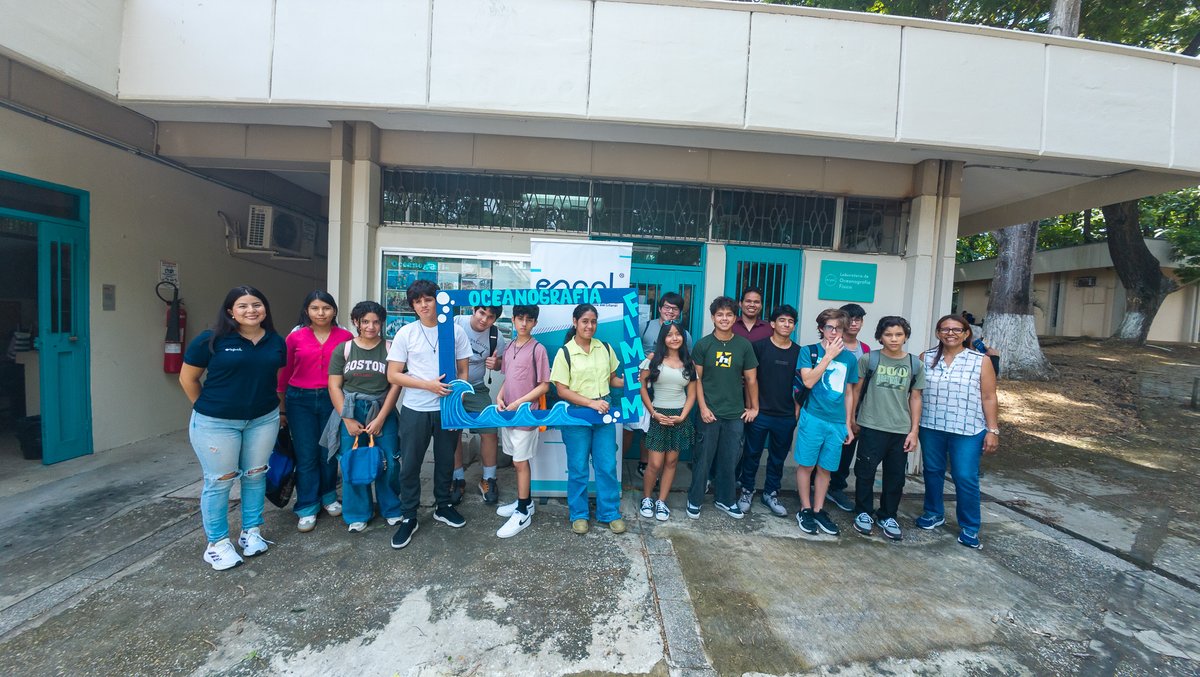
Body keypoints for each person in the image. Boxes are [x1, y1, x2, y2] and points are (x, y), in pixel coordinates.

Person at [179, 285, 286, 570]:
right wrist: (208, 408)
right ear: (230, 311)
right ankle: (217, 544)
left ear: (265, 309)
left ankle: (251, 532)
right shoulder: (211, 340)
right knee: (220, 480)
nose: (251, 310)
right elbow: (188, 379)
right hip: (216, 423)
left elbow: (269, 378)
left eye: (257, 304)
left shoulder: (276, 341)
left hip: (262, 418)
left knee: (255, 474)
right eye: (243, 305)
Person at [386, 280, 471, 549]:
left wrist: (458, 401)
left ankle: (442, 506)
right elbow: (393, 374)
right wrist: (428, 385)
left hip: (447, 409)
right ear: (413, 306)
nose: (423, 305)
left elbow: (463, 370)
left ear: (438, 300)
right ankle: (409, 516)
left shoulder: (455, 331)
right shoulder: (406, 333)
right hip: (416, 408)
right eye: (417, 301)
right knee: (410, 464)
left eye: (428, 299)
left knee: (446, 460)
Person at [917, 314, 1000, 550]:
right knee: (932, 471)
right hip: (931, 426)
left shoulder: (980, 360)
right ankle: (933, 512)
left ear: (965, 334)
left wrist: (992, 430)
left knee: (965, 476)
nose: (950, 333)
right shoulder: (926, 358)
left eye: (956, 330)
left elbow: (989, 396)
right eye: (945, 329)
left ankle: (970, 526)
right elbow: (917, 393)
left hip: (967, 429)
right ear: (938, 333)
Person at [278, 291, 354, 533]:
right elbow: (284, 374)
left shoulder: (345, 337)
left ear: (334, 311)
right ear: (307, 311)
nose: (321, 313)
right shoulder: (295, 337)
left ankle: (329, 496)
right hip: (299, 400)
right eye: (315, 308)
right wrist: (281, 408)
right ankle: (307, 505)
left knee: (329, 452)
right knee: (306, 454)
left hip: (333, 398)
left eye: (326, 308)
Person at [550, 303, 626, 535]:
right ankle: (579, 514)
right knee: (578, 467)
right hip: (576, 416)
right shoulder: (565, 352)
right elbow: (561, 390)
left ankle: (609, 513)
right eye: (584, 321)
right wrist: (591, 403)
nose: (589, 326)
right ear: (575, 322)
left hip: (603, 414)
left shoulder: (605, 347)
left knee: (607, 465)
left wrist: (634, 380)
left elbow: (613, 379)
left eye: (593, 321)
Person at [327, 301, 403, 533]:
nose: (371, 326)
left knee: (389, 461)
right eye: (365, 322)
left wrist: (381, 418)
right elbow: (334, 386)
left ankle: (391, 507)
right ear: (356, 322)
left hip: (382, 408)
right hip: (351, 408)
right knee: (352, 460)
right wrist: (347, 419)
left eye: (376, 322)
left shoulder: (390, 348)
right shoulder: (344, 349)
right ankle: (358, 513)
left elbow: (395, 386)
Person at [850, 316, 926, 541]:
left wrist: (914, 431)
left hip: (900, 428)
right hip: (871, 425)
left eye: (899, 334)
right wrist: (852, 418)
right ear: (880, 337)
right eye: (888, 334)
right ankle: (863, 512)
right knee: (865, 472)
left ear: (905, 336)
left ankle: (888, 515)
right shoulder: (869, 359)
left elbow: (916, 397)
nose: (894, 339)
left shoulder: (915, 364)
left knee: (895, 476)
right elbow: (855, 391)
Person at [687, 296, 759, 520]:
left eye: (729, 314)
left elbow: (751, 379)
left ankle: (725, 499)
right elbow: (696, 379)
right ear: (712, 318)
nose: (724, 318)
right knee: (703, 459)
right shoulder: (703, 345)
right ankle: (694, 499)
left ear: (735, 318)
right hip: (709, 411)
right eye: (720, 315)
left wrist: (754, 407)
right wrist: (702, 407)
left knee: (730, 460)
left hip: (735, 413)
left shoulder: (744, 345)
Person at [794, 308, 859, 537]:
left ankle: (819, 509)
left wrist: (848, 423)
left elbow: (849, 392)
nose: (834, 332)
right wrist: (828, 356)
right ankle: (805, 508)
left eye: (838, 328)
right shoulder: (809, 351)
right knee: (806, 465)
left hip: (837, 422)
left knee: (826, 468)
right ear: (821, 328)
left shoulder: (850, 358)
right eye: (829, 327)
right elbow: (808, 381)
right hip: (813, 417)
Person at [493, 304, 551, 538]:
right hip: (508, 414)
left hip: (526, 415)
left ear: (535, 322)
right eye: (520, 318)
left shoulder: (538, 349)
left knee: (520, 462)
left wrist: (519, 403)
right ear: (513, 320)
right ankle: (524, 503)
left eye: (529, 319)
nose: (524, 323)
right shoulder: (508, 347)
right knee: (516, 460)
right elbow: (508, 379)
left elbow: (544, 386)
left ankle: (523, 512)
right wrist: (499, 397)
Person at [737, 305, 799, 517]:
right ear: (772, 323)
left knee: (777, 458)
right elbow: (749, 379)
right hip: (759, 413)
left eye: (790, 321)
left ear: (794, 326)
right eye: (782, 320)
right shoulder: (758, 347)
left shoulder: (798, 352)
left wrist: (797, 410)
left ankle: (771, 493)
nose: (786, 324)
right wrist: (750, 407)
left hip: (786, 415)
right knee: (752, 454)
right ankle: (746, 491)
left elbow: (802, 385)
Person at [638, 321, 696, 522]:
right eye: (669, 334)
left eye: (678, 334)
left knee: (671, 462)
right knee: (654, 463)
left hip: (679, 417)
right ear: (663, 338)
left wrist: (683, 416)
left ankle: (661, 501)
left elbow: (692, 394)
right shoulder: (653, 361)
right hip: (658, 416)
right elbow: (642, 388)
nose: (674, 338)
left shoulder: (689, 363)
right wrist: (653, 413)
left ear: (683, 338)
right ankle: (647, 498)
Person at [818, 302, 872, 512]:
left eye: (859, 319)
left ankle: (836, 487)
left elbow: (859, 386)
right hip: (826, 406)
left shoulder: (865, 350)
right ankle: (818, 486)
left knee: (847, 448)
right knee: (822, 449)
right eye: (850, 319)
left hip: (854, 406)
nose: (854, 323)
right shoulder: (827, 345)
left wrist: (854, 416)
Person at [451, 304, 506, 504]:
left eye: (490, 317)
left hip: (476, 388)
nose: (484, 319)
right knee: (452, 431)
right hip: (451, 388)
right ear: (474, 310)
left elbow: (500, 364)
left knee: (490, 429)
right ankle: (457, 479)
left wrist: (496, 364)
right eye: (482, 313)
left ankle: (488, 479)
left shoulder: (496, 336)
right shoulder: (456, 323)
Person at [635, 291, 693, 479]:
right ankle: (645, 463)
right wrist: (647, 361)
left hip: (668, 387)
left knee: (660, 427)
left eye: (675, 308)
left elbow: (686, 361)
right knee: (641, 426)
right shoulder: (644, 327)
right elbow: (631, 350)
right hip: (645, 382)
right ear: (659, 308)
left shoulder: (685, 335)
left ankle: (657, 471)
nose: (670, 311)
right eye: (667, 307)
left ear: (680, 312)